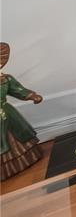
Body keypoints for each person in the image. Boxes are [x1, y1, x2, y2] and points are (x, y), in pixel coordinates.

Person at [1, 42, 44, 179]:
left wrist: (32, 96)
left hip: (8, 114)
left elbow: (18, 90)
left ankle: (26, 159)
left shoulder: (5, 79)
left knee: (19, 134)